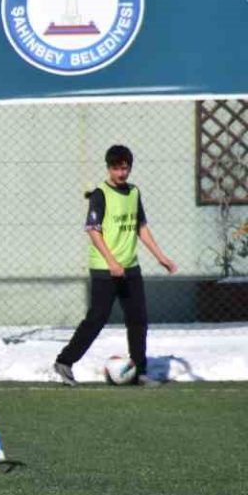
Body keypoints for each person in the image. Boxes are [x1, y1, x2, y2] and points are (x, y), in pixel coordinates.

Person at [53, 144, 177, 386]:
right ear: (109, 168)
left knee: (138, 318)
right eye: (117, 168)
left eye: (125, 168)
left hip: (130, 267)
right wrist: (111, 261)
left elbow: (141, 226)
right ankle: (64, 362)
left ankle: (139, 371)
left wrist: (160, 256)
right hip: (105, 269)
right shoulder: (100, 194)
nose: (121, 173)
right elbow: (93, 230)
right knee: (97, 318)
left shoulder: (134, 192)